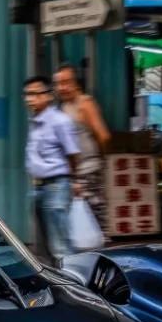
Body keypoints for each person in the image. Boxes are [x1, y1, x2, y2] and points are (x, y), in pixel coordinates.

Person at [23, 74, 80, 265]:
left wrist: (74, 181)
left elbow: (73, 153)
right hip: (37, 188)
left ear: (48, 96)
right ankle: (55, 284)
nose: (30, 99)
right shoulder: (35, 121)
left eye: (35, 94)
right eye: (27, 94)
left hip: (56, 186)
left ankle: (74, 285)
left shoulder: (59, 121)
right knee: (44, 246)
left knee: (60, 245)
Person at [53, 63, 109, 223]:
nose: (61, 87)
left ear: (76, 84)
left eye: (66, 82)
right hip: (73, 176)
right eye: (58, 83)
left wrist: (99, 161)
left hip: (89, 173)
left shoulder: (85, 103)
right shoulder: (63, 107)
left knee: (93, 222)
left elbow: (103, 136)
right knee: (77, 225)